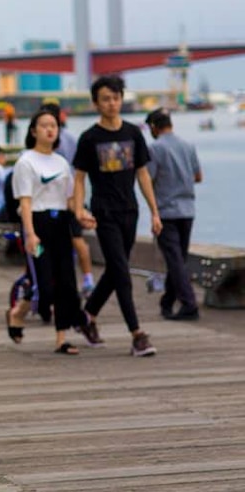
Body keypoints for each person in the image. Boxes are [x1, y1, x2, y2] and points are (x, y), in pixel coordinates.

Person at [72, 75, 163, 357]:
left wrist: (155, 211)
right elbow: (79, 178)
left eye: (116, 97)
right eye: (106, 99)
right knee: (121, 272)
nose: (112, 103)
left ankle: (86, 316)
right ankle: (137, 335)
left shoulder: (133, 134)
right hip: (104, 211)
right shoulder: (90, 138)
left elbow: (143, 174)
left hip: (130, 210)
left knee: (115, 269)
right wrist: (78, 209)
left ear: (121, 99)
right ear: (96, 103)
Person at [9, 108, 95, 354]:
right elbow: (25, 202)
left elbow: (69, 199)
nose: (50, 129)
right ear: (34, 130)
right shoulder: (26, 162)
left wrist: (82, 215)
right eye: (44, 125)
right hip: (37, 223)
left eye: (54, 126)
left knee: (67, 284)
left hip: (61, 224)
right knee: (43, 286)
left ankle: (62, 339)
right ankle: (17, 313)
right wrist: (30, 233)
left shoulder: (61, 163)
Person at [145, 108, 203, 320]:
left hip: (166, 212)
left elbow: (148, 180)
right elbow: (198, 176)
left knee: (174, 259)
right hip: (187, 210)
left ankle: (189, 304)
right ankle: (168, 301)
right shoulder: (188, 146)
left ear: (153, 127)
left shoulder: (154, 149)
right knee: (178, 259)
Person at [40, 101, 95, 297]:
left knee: (45, 245)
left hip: (57, 200)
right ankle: (88, 278)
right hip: (73, 196)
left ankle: (41, 283)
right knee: (77, 239)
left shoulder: (48, 142)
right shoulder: (71, 138)